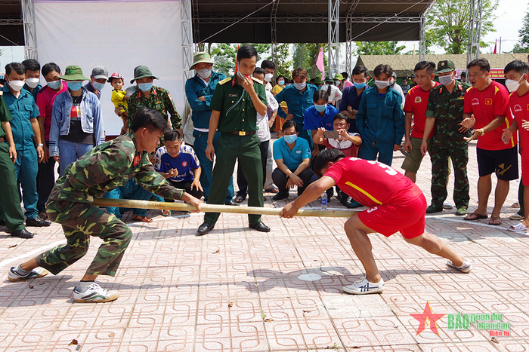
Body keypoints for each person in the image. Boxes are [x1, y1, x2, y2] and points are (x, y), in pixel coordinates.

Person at [7, 108, 202, 303]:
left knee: (76, 248)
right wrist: (83, 198)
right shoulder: (121, 153)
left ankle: (20, 271)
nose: (159, 142)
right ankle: (85, 288)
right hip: (67, 202)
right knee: (121, 233)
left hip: (73, 200)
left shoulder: (137, 152)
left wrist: (186, 197)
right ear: (144, 132)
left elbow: (153, 181)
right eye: (158, 137)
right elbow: (78, 170)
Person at [280, 149, 472, 294]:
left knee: (353, 226)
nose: (330, 178)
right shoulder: (359, 162)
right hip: (416, 197)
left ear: (330, 164)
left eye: (325, 173)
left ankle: (373, 280)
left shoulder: (340, 166)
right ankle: (461, 262)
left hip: (402, 203)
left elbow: (318, 187)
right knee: (416, 238)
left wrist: (295, 206)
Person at [197, 45, 270, 235]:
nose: (248, 70)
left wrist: (251, 91)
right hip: (228, 141)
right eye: (244, 65)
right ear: (237, 63)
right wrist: (210, 142)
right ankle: (210, 219)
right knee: (220, 181)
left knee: (256, 180)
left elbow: (263, 111)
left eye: (252, 67)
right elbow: (214, 116)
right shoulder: (224, 86)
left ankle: (256, 219)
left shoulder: (259, 85)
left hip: (251, 141)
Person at [460, 58, 518, 225]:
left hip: (504, 142)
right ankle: (481, 209)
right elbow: (467, 113)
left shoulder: (499, 90)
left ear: (487, 74)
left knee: (502, 177)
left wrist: (482, 130)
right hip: (483, 143)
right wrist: (468, 122)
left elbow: (500, 118)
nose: (471, 77)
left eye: (475, 74)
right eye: (469, 74)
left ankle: (497, 212)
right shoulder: (470, 92)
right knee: (483, 175)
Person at [420, 60, 471, 216]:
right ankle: (437, 202)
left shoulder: (466, 91)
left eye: (447, 74)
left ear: (454, 73)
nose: (444, 77)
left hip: (459, 138)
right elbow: (430, 117)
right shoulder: (435, 93)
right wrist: (424, 140)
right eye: (441, 74)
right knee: (438, 172)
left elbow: (475, 112)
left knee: (460, 171)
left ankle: (462, 204)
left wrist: (472, 124)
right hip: (439, 139)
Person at [185, 52, 236, 205]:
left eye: (207, 65)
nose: (205, 68)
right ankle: (210, 196)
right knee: (205, 166)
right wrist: (215, 102)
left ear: (211, 65)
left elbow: (228, 99)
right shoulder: (191, 83)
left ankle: (227, 197)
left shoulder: (221, 78)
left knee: (225, 164)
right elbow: (195, 105)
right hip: (202, 133)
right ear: (195, 67)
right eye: (200, 66)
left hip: (222, 131)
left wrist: (206, 99)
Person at [2, 62, 49, 227]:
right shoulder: (2, 97)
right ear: (7, 77)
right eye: (15, 78)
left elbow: (34, 121)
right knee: (10, 186)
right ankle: (8, 217)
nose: (19, 82)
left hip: (29, 147)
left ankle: (31, 215)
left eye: (22, 78)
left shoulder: (28, 96)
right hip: (9, 148)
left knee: (30, 183)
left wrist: (39, 144)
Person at [49, 65, 105, 176]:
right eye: (71, 80)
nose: (74, 83)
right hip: (66, 143)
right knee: (66, 175)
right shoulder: (60, 99)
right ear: (66, 81)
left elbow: (99, 123)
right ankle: (66, 194)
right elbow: (55, 124)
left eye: (77, 80)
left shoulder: (92, 98)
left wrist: (101, 146)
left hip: (87, 142)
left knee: (87, 174)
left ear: (82, 80)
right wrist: (54, 148)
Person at [235, 67, 276, 203]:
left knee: (261, 165)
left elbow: (275, 108)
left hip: (262, 135)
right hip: (245, 134)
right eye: (255, 78)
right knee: (242, 164)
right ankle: (241, 191)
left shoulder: (266, 92)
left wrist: (271, 121)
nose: (258, 81)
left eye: (261, 79)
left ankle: (258, 191)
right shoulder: (243, 92)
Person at [0, 88, 35, 238]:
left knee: (9, 184)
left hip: (1, 144)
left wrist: (11, 145)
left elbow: (5, 121)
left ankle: (16, 225)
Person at [36, 62, 68, 220]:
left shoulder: (69, 88)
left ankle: (64, 205)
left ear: (60, 74)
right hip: (48, 139)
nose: (52, 82)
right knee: (46, 176)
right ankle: (44, 208)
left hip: (66, 139)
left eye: (55, 78)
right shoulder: (42, 94)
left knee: (67, 173)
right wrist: (42, 145)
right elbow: (40, 122)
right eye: (48, 80)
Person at [356, 64, 404, 166]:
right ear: (374, 78)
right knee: (365, 169)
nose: (381, 81)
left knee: (384, 172)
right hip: (368, 140)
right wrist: (363, 133)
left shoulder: (395, 97)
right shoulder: (367, 94)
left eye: (384, 78)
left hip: (387, 141)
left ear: (390, 79)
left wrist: (397, 141)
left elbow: (399, 120)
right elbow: (360, 116)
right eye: (378, 78)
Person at [501, 60, 529, 232]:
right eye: (506, 78)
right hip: (525, 148)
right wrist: (511, 129)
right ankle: (527, 220)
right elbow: (517, 119)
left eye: (512, 77)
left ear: (524, 77)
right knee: (527, 183)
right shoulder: (513, 97)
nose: (508, 81)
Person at [313, 112, 362, 208]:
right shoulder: (330, 134)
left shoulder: (353, 135)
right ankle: (328, 191)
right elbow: (316, 141)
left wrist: (348, 137)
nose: (338, 127)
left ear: (348, 125)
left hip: (348, 170)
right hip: (333, 168)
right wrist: (318, 134)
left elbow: (359, 141)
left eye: (341, 124)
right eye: (336, 124)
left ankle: (345, 195)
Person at [402, 61, 440, 183]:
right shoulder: (412, 92)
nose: (419, 79)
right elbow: (408, 117)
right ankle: (409, 199)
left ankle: (439, 201)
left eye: (422, 76)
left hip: (438, 137)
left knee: (441, 170)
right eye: (417, 76)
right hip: (417, 136)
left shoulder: (441, 91)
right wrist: (407, 139)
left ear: (432, 76)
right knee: (409, 169)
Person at [272, 120, 318, 201]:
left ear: (297, 134)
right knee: (276, 175)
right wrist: (291, 175)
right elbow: (280, 163)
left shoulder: (304, 142)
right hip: (285, 169)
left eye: (292, 133)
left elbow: (306, 162)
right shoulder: (277, 143)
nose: (289, 135)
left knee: (308, 173)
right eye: (286, 133)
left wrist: (293, 176)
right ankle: (283, 192)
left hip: (300, 169)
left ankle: (302, 192)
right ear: (282, 134)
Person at [274, 67, 319, 149]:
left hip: (310, 128)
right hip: (294, 128)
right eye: (296, 81)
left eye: (301, 81)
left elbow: (318, 104)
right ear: (293, 80)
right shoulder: (287, 91)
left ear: (306, 79)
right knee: (295, 150)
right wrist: (284, 116)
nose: (299, 83)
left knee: (310, 150)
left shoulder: (313, 89)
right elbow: (274, 102)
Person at [128, 65, 181, 131]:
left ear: (152, 80)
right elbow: (131, 121)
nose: (145, 83)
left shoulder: (162, 93)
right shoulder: (133, 99)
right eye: (141, 80)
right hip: (144, 137)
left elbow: (174, 114)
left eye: (147, 80)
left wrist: (177, 131)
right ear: (137, 82)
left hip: (162, 135)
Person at [157, 129, 203, 201]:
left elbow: (197, 167)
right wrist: (168, 174)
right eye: (169, 147)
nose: (173, 151)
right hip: (169, 182)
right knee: (160, 187)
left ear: (181, 143)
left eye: (175, 147)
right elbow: (157, 173)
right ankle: (169, 206)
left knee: (197, 191)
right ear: (164, 144)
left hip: (185, 181)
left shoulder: (188, 150)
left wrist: (196, 180)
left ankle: (187, 204)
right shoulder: (160, 152)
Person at [303, 89, 339, 157]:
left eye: (322, 103)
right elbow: (312, 131)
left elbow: (335, 133)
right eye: (317, 103)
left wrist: (321, 134)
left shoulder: (334, 112)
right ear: (313, 102)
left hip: (333, 141)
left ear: (327, 102)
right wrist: (316, 149)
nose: (320, 105)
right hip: (317, 140)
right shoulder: (308, 112)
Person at [339, 65, 369, 134]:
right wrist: (359, 116)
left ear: (367, 79)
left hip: (366, 130)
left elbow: (371, 115)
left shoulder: (371, 93)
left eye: (361, 80)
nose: (358, 82)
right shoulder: (347, 91)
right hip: (350, 129)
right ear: (352, 78)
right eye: (355, 79)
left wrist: (351, 111)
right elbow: (343, 111)